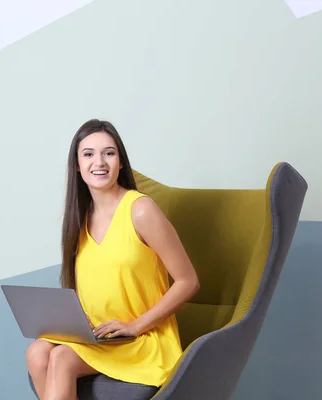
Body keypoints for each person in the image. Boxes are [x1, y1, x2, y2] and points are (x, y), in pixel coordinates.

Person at [26, 118, 200, 400]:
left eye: (109, 152)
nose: (100, 162)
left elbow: (188, 282)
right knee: (37, 352)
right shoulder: (79, 222)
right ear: (77, 166)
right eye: (88, 154)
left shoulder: (141, 210)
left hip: (142, 339)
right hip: (100, 337)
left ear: (120, 162)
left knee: (62, 359)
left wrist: (136, 325)